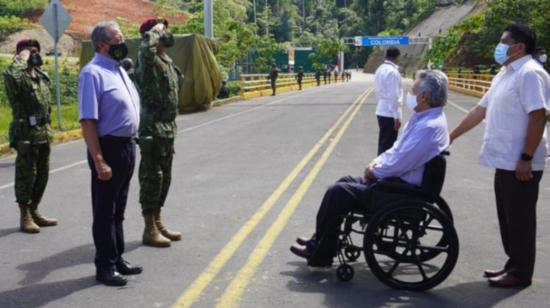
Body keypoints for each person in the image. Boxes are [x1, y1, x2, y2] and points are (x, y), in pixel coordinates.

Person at [290, 70, 450, 266]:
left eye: (413, 90)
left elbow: (400, 162)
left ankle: (321, 252)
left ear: (423, 96)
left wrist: (375, 171)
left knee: (338, 192)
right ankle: (321, 240)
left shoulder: (429, 127)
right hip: (399, 183)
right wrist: (376, 164)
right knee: (345, 181)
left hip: (403, 191)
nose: (410, 93)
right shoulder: (423, 119)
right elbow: (396, 151)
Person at [450, 24, 550, 288]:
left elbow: (538, 116)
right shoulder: (504, 74)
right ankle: (512, 264)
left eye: (503, 41)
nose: (499, 45)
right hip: (504, 160)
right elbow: (479, 111)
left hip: (521, 161)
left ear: (519, 46)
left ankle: (520, 272)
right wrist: (450, 136)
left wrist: (527, 157)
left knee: (520, 219)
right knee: (508, 218)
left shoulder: (530, 74)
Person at [78, 21, 142, 287]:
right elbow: (88, 122)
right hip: (109, 148)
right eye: (118, 38)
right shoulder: (92, 73)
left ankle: (117, 258)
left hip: (127, 146)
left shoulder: (118, 70)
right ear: (103, 44)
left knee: (119, 209)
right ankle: (104, 266)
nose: (122, 41)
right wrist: (99, 159)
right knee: (105, 211)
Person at [135, 18, 184, 248]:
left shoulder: (166, 59)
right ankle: (149, 229)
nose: (167, 32)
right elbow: (146, 49)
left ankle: (158, 221)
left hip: (167, 128)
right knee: (152, 178)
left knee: (166, 178)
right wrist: (153, 32)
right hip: (152, 129)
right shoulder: (147, 59)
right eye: (163, 29)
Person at [3, 39, 58, 233]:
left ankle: (35, 210)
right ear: (21, 54)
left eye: (36, 50)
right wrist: (20, 61)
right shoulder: (17, 76)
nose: (34, 53)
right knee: (27, 175)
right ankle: (24, 215)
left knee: (42, 174)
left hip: (43, 132)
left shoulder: (41, 76)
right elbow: (9, 75)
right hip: (26, 133)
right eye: (29, 51)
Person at [374, 46, 403, 155]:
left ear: (386, 56)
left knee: (384, 143)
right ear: (398, 57)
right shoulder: (393, 72)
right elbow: (394, 96)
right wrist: (396, 116)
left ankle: (379, 168)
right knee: (388, 146)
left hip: (381, 109)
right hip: (389, 113)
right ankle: (381, 169)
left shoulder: (380, 69)